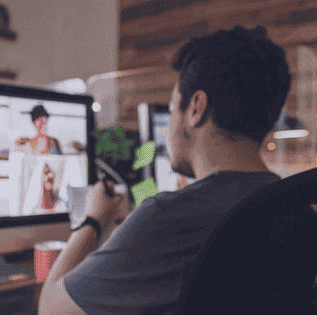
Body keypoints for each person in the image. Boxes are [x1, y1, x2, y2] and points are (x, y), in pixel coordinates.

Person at [39, 25, 291, 314]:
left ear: (196, 108)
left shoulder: (168, 218)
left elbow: (51, 308)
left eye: (172, 109)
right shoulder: (292, 202)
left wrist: (93, 220)